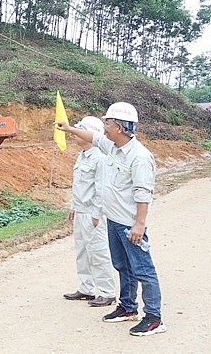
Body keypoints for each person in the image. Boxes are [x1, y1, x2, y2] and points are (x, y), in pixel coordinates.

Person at [56, 102, 166, 336]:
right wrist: (68, 129)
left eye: (107, 122)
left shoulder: (139, 156)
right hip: (114, 221)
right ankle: (128, 307)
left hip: (129, 224)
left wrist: (139, 224)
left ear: (119, 126)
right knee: (122, 266)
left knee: (143, 270)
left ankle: (154, 317)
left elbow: (143, 193)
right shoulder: (113, 148)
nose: (103, 127)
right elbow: (93, 138)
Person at [62, 115, 116, 307]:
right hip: (80, 211)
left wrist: (96, 214)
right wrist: (73, 206)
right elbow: (79, 185)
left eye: (81, 129)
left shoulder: (100, 157)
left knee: (98, 252)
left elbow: (101, 189)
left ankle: (108, 292)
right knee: (82, 251)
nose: (76, 134)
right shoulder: (82, 155)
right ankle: (86, 288)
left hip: (93, 214)